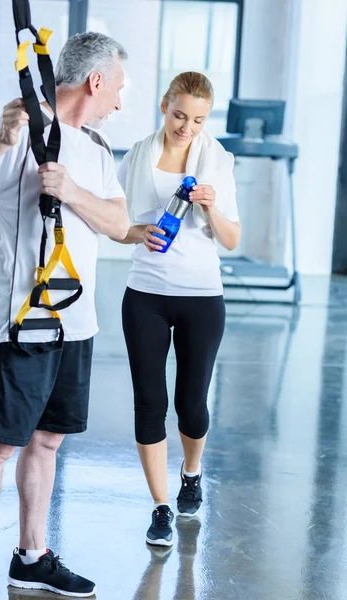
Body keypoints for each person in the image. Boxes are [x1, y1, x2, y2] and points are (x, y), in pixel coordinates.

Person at [0, 31, 129, 600]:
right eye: (119, 88)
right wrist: (1, 142)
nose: (121, 101)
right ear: (96, 82)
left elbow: (119, 225)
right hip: (21, 321)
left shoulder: (96, 148)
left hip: (76, 323)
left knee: (47, 441)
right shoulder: (21, 129)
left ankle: (32, 555)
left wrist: (71, 190)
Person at [114, 72, 241, 547]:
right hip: (145, 292)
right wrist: (136, 233)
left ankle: (192, 472)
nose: (187, 127)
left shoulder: (219, 162)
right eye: (179, 115)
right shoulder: (136, 156)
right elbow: (116, 224)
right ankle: (161, 507)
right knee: (149, 404)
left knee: (191, 404)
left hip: (202, 296)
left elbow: (231, 240)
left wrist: (210, 208)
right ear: (164, 105)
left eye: (199, 119)